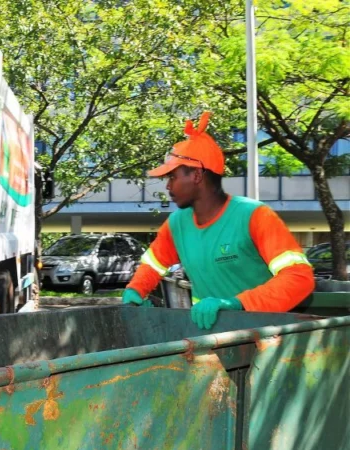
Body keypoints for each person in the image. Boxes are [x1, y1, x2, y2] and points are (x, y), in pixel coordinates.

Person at [123, 112, 315, 329]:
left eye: (173, 177)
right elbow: (153, 264)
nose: (168, 186)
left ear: (196, 176)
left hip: (264, 335)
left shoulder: (254, 216)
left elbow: (299, 277)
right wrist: (135, 290)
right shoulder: (176, 224)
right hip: (210, 335)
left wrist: (237, 303)